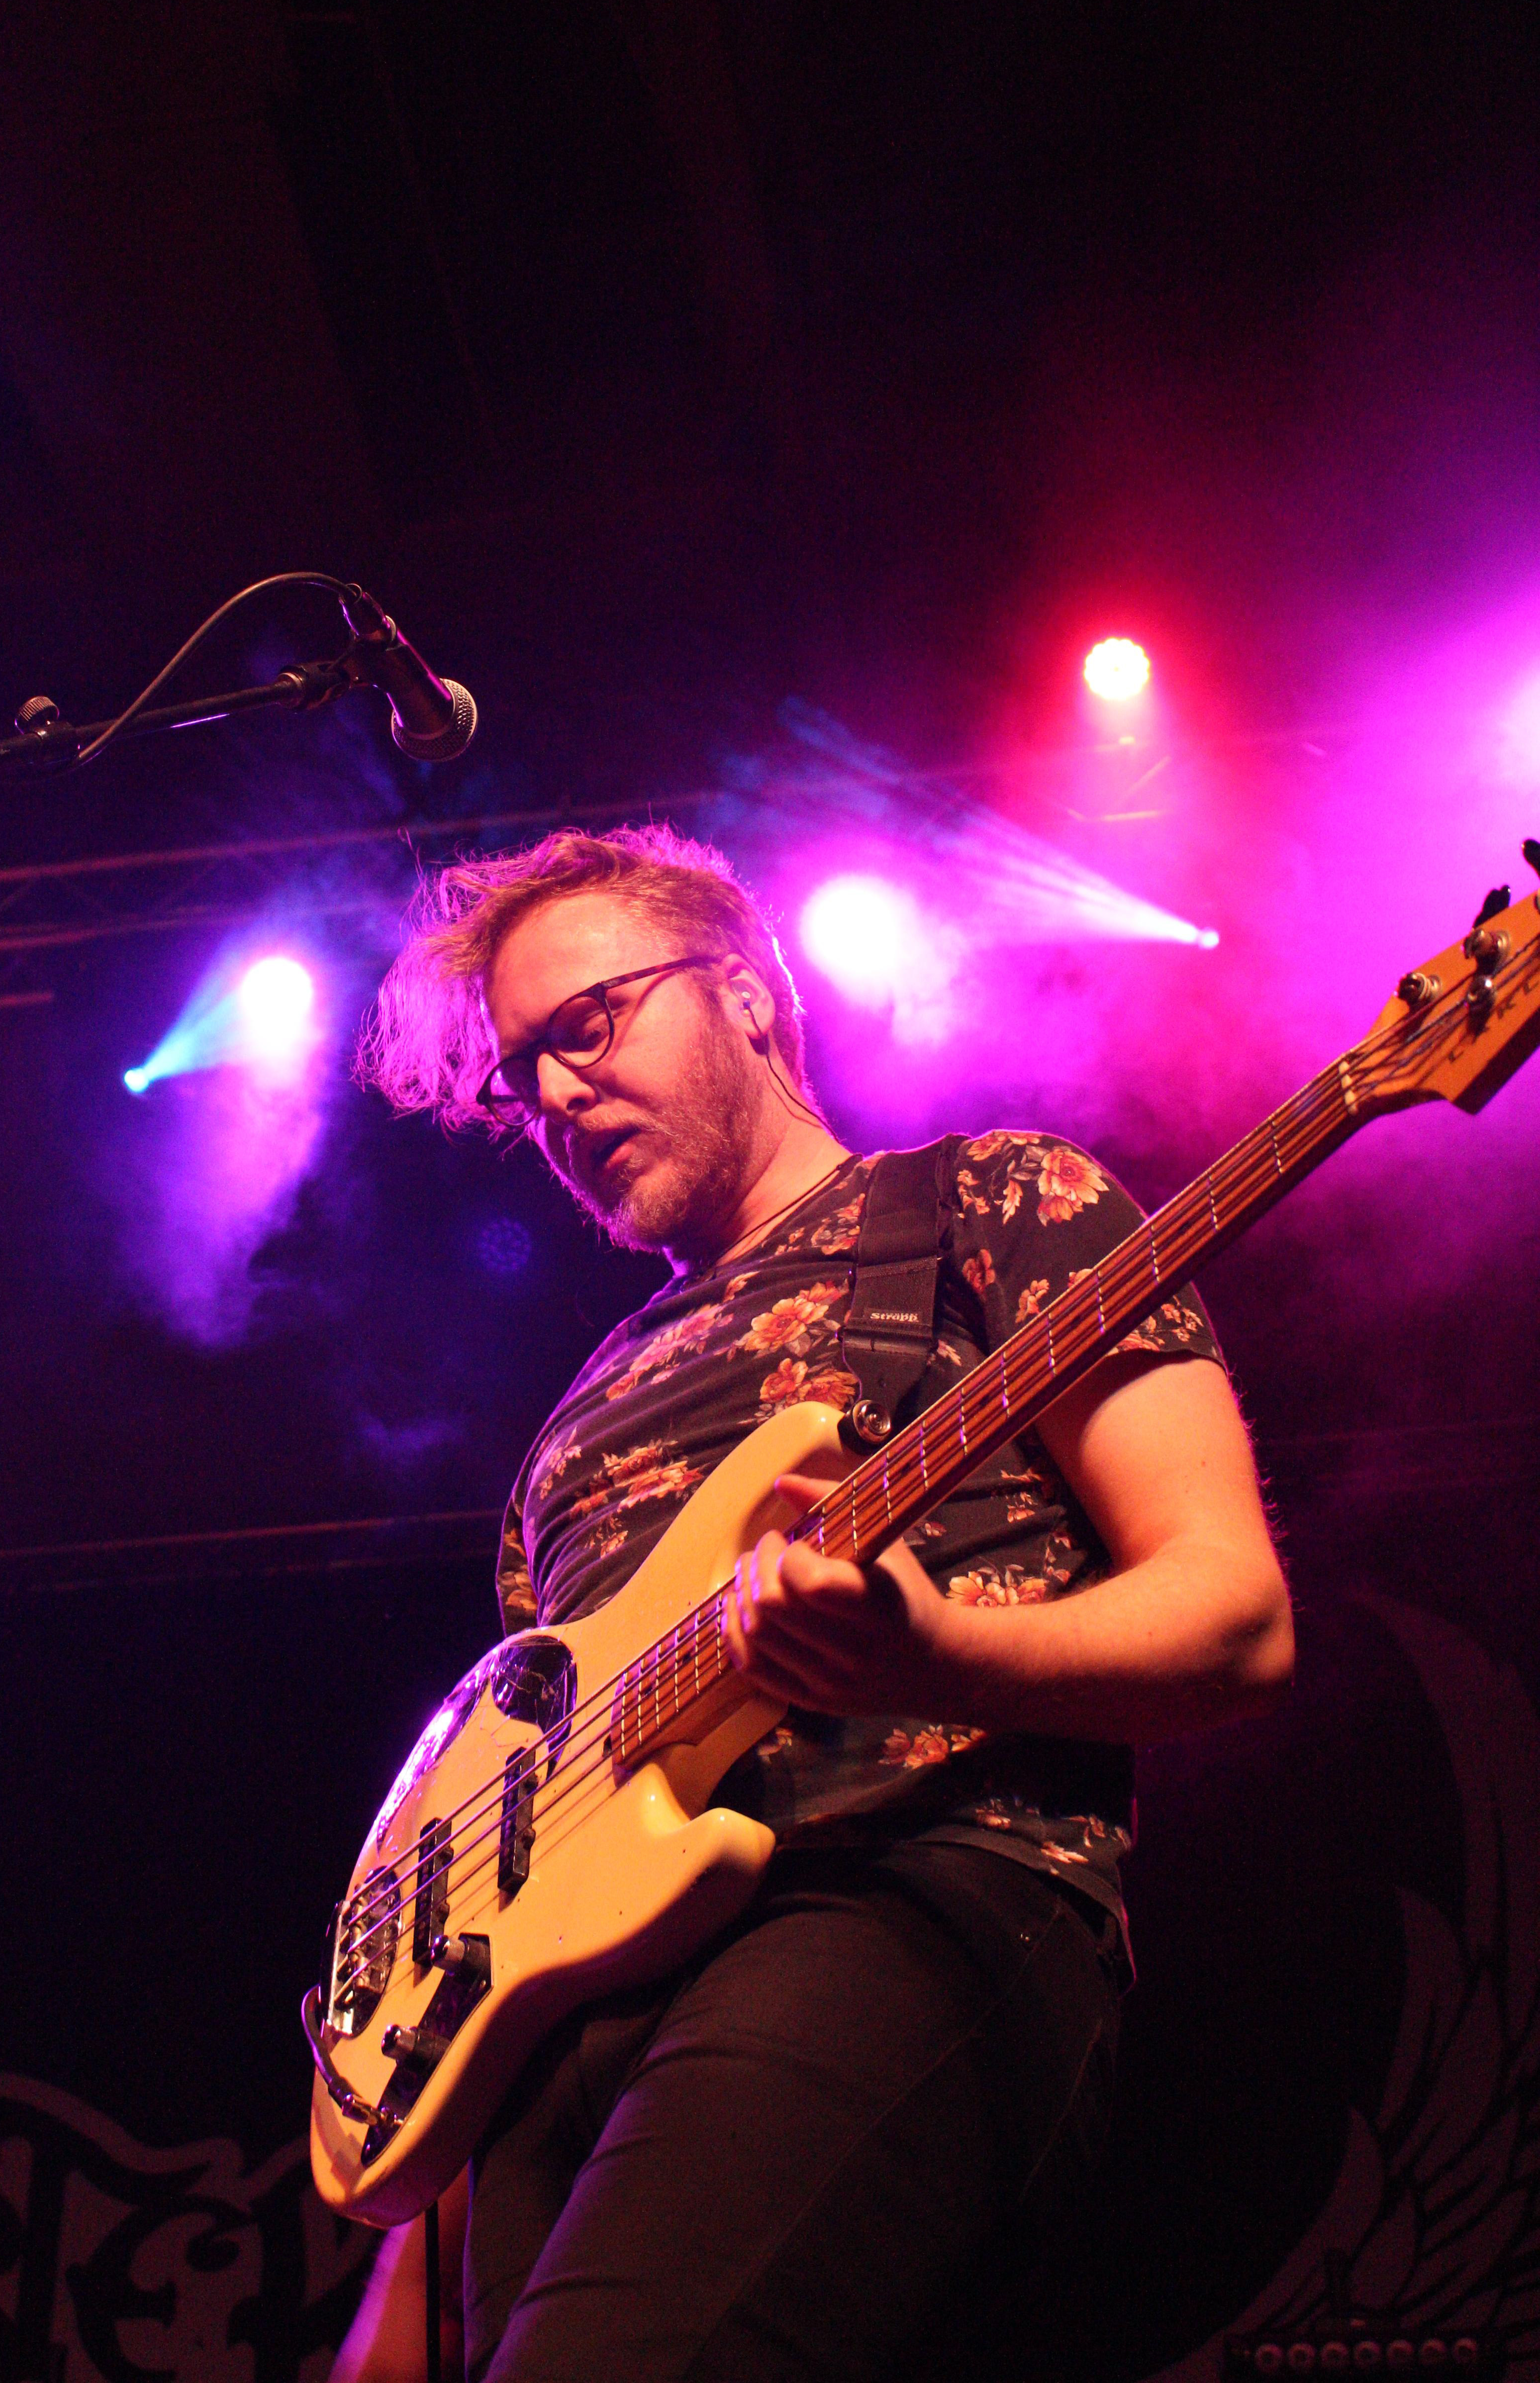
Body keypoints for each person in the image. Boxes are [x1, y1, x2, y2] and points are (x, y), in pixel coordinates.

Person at [333, 823, 1292, 2383]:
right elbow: (507, 1857)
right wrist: (409, 2260)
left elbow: (1236, 1616)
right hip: (567, 2045)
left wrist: (936, 1654)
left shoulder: (993, 1202)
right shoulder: (574, 1426)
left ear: (747, 993)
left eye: (591, 1025)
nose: (559, 1096)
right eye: (523, 1074)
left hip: (895, 1902)